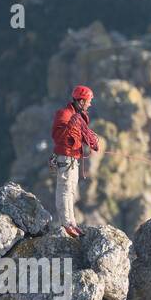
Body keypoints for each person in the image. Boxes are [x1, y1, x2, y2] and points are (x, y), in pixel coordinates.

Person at [50, 85, 100, 238]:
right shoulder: (64, 114)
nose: (90, 104)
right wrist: (72, 125)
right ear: (82, 101)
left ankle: (72, 223)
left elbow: (78, 136)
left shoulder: (76, 116)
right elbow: (57, 137)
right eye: (89, 101)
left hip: (72, 158)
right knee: (65, 189)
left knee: (70, 190)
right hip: (65, 158)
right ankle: (66, 224)